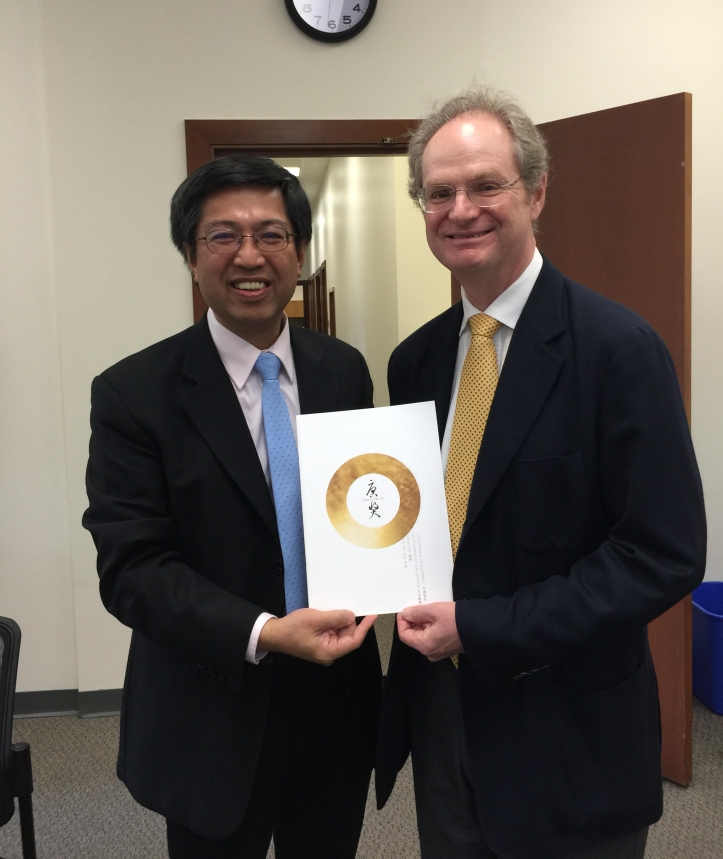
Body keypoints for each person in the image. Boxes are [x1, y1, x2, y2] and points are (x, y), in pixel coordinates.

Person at [375, 88, 706, 859]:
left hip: (568, 729)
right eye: (438, 192)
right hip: (443, 717)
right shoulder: (415, 361)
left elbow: (660, 555)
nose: (461, 209)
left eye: (485, 185)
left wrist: (484, 626)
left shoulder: (617, 350)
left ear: (535, 191)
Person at [83, 155, 381, 859]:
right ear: (191, 255)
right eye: (223, 235)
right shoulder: (134, 393)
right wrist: (266, 633)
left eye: (272, 234)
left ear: (300, 254)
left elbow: (366, 508)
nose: (250, 255)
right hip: (208, 704)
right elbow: (133, 569)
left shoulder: (343, 368)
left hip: (335, 697)